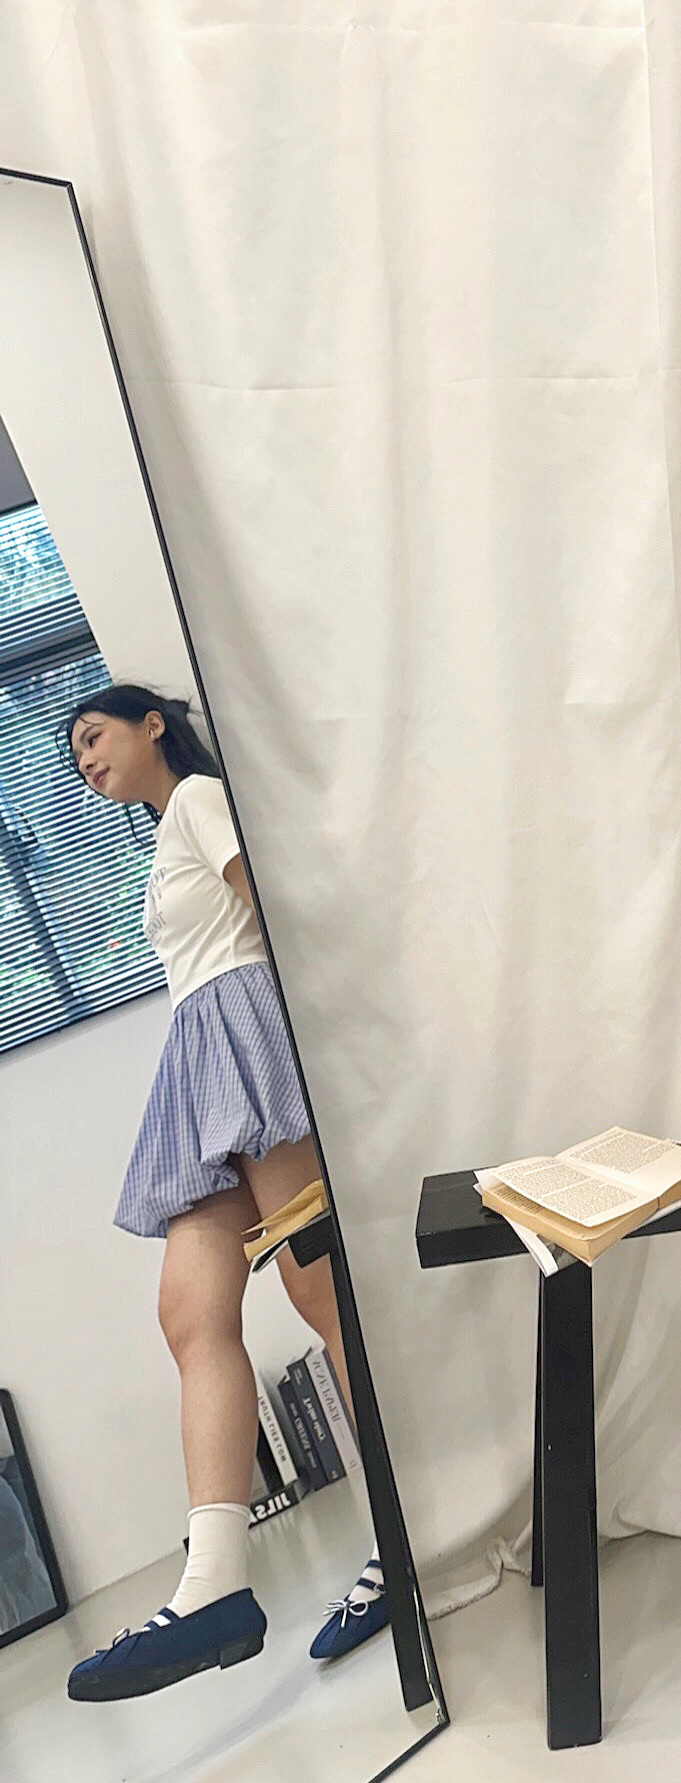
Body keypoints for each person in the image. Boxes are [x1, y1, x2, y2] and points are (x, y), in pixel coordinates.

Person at [60, 685, 387, 1700]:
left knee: (320, 1295)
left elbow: (275, 918)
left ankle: (408, 1529)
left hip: (246, 1038)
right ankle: (214, 1588)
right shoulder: (166, 835)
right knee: (190, 1313)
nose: (85, 761)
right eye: (74, 755)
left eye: (94, 736)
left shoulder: (200, 801)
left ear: (153, 723)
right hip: (204, 1057)